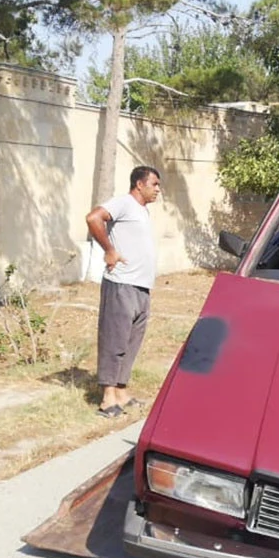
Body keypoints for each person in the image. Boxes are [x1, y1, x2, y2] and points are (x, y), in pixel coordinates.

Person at [85, 166, 162, 417]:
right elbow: (93, 218)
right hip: (121, 284)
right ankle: (108, 398)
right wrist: (109, 250)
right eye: (154, 184)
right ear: (139, 184)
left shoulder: (141, 211)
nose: (158, 190)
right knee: (114, 340)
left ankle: (121, 391)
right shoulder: (124, 203)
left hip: (141, 287)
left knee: (131, 342)